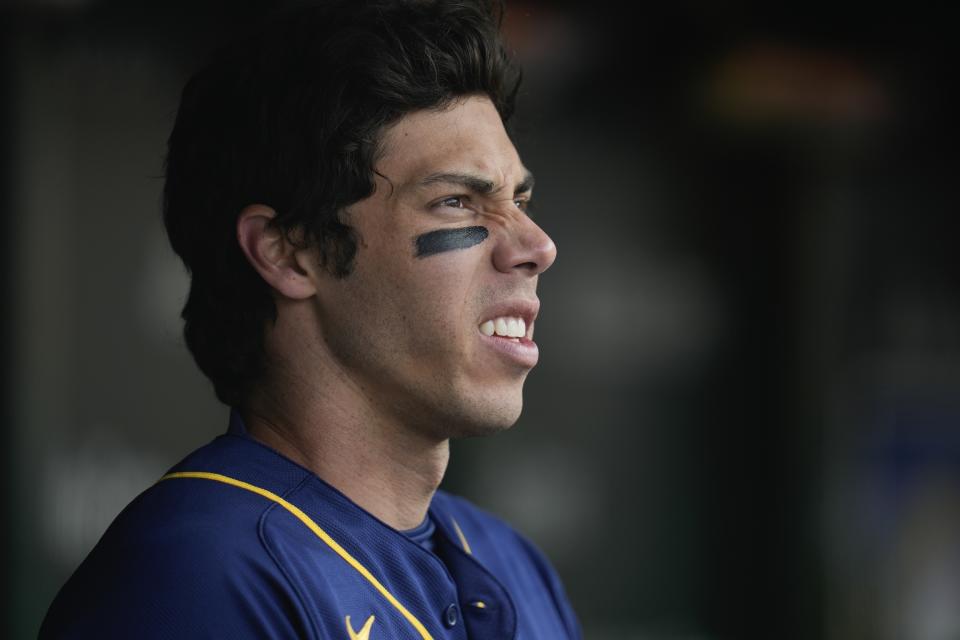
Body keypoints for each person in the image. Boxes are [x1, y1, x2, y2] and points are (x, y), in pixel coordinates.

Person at [40, 0, 579, 638]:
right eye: (457, 202)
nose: (536, 245)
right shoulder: (193, 576)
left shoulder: (513, 561)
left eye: (519, 199)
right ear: (289, 252)